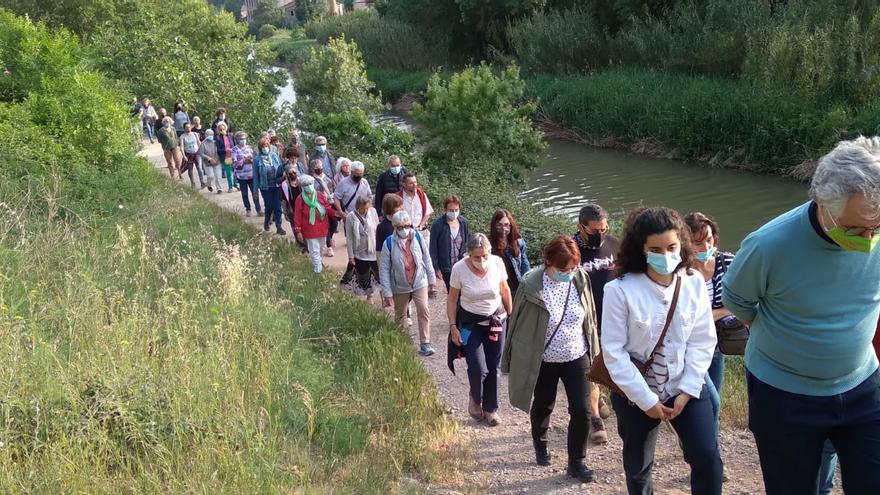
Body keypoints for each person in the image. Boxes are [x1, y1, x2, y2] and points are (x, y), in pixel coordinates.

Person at [722, 137, 880, 495]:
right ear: (823, 205)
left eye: (877, 228)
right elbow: (738, 300)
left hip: (863, 385)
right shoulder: (769, 245)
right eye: (855, 230)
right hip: (784, 395)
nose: (869, 239)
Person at [602, 206, 721, 495]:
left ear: (682, 244)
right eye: (655, 249)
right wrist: (646, 400)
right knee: (639, 467)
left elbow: (703, 339)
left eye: (672, 247)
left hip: (685, 387)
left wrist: (688, 389)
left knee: (708, 459)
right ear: (641, 249)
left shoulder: (692, 282)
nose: (665, 256)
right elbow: (613, 353)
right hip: (636, 394)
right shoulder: (619, 290)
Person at [502, 234, 601, 482]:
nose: (568, 272)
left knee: (582, 410)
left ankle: (576, 462)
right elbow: (516, 325)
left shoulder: (580, 278)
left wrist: (596, 350)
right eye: (563, 268)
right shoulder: (530, 284)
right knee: (544, 404)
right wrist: (511, 358)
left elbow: (590, 317)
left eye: (572, 267)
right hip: (544, 358)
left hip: (576, 355)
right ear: (548, 262)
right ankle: (541, 444)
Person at [684, 211, 735, 477]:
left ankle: (703, 450)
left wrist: (713, 315)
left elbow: (743, 301)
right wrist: (719, 312)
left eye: (709, 240)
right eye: (697, 242)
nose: (705, 248)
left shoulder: (729, 262)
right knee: (711, 403)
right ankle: (708, 460)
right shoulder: (679, 270)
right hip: (689, 348)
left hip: (718, 344)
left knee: (712, 407)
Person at [448, 233, 513, 425]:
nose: (482, 260)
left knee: (494, 367)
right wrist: (453, 327)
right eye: (477, 257)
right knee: (478, 368)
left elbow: (505, 290)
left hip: (496, 321)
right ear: (468, 255)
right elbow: (452, 299)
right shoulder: (459, 269)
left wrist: (512, 314)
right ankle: (475, 397)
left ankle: (490, 408)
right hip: (471, 324)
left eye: (485, 255)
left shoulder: (497, 263)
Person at [573, 204, 620, 443]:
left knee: (609, 365)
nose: (600, 234)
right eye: (595, 230)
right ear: (581, 227)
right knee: (588, 370)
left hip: (613, 320)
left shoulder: (614, 245)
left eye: (604, 228)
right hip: (583, 322)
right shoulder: (570, 250)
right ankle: (595, 420)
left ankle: (599, 396)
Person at [379, 210, 437, 356]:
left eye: (407, 226)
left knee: (423, 309)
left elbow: (426, 258)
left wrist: (432, 280)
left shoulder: (417, 237)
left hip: (419, 280)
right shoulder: (389, 243)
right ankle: (402, 344)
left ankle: (425, 343)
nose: (404, 230)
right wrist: (387, 292)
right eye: (400, 227)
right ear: (395, 227)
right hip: (400, 285)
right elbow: (384, 269)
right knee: (400, 314)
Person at [294, 175, 336, 273]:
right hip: (309, 229)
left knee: (321, 248)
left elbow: (327, 208)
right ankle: (318, 271)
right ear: (302, 186)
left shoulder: (320, 195)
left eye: (310, 184)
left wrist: (336, 214)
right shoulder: (300, 199)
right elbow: (297, 216)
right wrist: (298, 231)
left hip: (322, 228)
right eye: (306, 184)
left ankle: (318, 264)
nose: (308, 186)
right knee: (314, 250)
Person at [429, 195, 470, 293]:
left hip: (462, 264)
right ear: (445, 209)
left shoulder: (464, 223)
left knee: (464, 291)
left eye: (456, 210)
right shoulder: (437, 225)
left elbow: (467, 242)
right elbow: (433, 249)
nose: (454, 213)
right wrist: (436, 268)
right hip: (446, 267)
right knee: (452, 292)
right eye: (451, 210)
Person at [345, 195, 380, 300]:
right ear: (358, 206)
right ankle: (369, 295)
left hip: (372, 248)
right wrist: (351, 256)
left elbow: (377, 230)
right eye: (363, 208)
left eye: (367, 208)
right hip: (359, 251)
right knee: (364, 273)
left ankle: (382, 297)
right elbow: (349, 238)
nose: (365, 210)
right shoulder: (350, 217)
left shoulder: (373, 212)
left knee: (377, 273)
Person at [488, 209, 530, 297]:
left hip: (516, 287)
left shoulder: (518, 242)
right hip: (498, 288)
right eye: (499, 224)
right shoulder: (489, 244)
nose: (503, 228)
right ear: (494, 225)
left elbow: (524, 265)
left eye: (506, 225)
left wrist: (528, 283)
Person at [254, 136, 286, 235]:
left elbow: (280, 168)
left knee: (277, 207)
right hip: (265, 187)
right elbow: (255, 176)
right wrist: (255, 191)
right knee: (269, 207)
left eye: (266, 146)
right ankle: (266, 221)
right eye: (263, 146)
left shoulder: (274, 156)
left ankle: (279, 227)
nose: (265, 148)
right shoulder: (257, 160)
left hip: (276, 185)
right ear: (260, 148)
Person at [310, 159, 337, 257]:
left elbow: (333, 189)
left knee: (334, 224)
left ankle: (329, 238)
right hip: (319, 205)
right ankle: (329, 247)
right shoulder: (312, 181)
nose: (319, 169)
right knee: (327, 225)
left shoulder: (328, 178)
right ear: (313, 169)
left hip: (330, 203)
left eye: (320, 167)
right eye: (317, 168)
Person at [232, 132, 261, 216]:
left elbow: (255, 159)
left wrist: (251, 160)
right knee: (244, 193)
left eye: (244, 138)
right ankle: (248, 209)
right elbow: (234, 163)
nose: (243, 140)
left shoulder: (250, 148)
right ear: (237, 139)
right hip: (241, 176)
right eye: (241, 139)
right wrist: (243, 161)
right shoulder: (234, 149)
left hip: (252, 175)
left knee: (254, 192)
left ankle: (258, 209)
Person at [398, 173, 434, 237]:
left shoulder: (421, 194)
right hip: (404, 233)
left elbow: (427, 213)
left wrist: (421, 226)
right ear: (404, 184)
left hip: (421, 231)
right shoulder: (398, 197)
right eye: (411, 183)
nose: (414, 185)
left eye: (415, 182)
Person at [281, 165, 306, 254]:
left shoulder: (301, 182)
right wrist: (284, 212)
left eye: (294, 173)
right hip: (292, 209)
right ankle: (301, 246)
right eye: (290, 173)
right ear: (287, 174)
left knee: (304, 227)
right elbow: (284, 199)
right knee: (296, 228)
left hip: (302, 208)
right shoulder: (284, 185)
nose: (293, 175)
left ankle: (306, 245)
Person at [179, 123, 205, 189]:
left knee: (199, 167)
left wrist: (202, 150)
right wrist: (184, 156)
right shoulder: (182, 136)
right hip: (188, 154)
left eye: (189, 127)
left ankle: (202, 182)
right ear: (184, 128)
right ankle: (192, 183)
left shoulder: (195, 134)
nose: (188, 128)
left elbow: (199, 142)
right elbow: (181, 147)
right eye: (186, 127)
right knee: (190, 169)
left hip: (196, 153)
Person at [199, 129, 223, 194]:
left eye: (211, 134)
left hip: (216, 160)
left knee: (218, 175)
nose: (210, 136)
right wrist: (208, 158)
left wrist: (215, 158)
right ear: (206, 135)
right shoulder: (203, 144)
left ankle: (219, 189)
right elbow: (201, 153)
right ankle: (209, 185)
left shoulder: (215, 142)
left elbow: (217, 150)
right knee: (210, 176)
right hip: (207, 162)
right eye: (208, 134)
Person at [215, 122, 237, 192]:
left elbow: (235, 145)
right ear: (218, 130)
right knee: (228, 172)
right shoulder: (218, 138)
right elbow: (218, 150)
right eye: (220, 129)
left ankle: (236, 184)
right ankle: (230, 186)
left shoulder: (231, 135)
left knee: (235, 171)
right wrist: (225, 150)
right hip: (225, 157)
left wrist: (232, 149)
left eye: (223, 128)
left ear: (225, 128)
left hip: (233, 156)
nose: (222, 130)